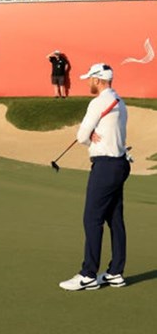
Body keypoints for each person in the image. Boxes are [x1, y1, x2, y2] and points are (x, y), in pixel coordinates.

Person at [59, 63, 131, 291]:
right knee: (114, 219)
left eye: (90, 79)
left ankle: (88, 274)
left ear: (98, 80)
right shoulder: (120, 101)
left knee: (92, 218)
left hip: (105, 166)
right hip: (120, 164)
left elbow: (81, 136)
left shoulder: (98, 102)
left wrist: (90, 139)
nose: (88, 82)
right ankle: (115, 272)